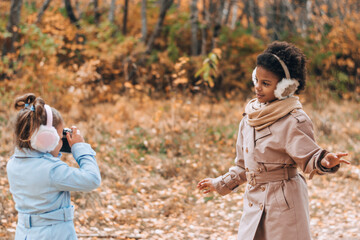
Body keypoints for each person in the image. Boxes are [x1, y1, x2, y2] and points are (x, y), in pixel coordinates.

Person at [197, 41, 350, 240]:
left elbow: (309, 155)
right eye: (256, 80)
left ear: (286, 88)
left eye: (266, 84)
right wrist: (220, 183)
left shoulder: (294, 120)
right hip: (254, 202)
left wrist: (324, 161)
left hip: (285, 204)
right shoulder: (249, 118)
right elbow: (244, 167)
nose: (257, 88)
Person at [7, 93, 101, 240]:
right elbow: (93, 179)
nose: (60, 141)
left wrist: (51, 152)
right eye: (57, 136)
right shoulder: (52, 170)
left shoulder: (13, 163)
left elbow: (40, 167)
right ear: (46, 138)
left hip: (24, 234)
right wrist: (80, 148)